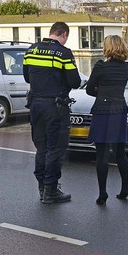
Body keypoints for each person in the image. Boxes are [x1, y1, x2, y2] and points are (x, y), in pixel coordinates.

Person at [23, 22, 82, 204]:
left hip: (35, 105)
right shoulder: (63, 53)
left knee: (41, 147)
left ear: (50, 33)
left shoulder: (31, 50)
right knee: (55, 148)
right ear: (63, 34)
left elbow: (27, 77)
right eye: (66, 37)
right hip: (55, 107)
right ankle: (51, 190)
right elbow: (75, 81)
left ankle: (42, 187)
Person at [86, 35, 128, 206]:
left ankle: (102, 193)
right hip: (119, 111)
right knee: (120, 152)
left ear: (107, 48)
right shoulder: (126, 68)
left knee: (102, 156)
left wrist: (101, 90)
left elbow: (89, 89)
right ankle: (125, 187)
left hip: (103, 111)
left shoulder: (100, 67)